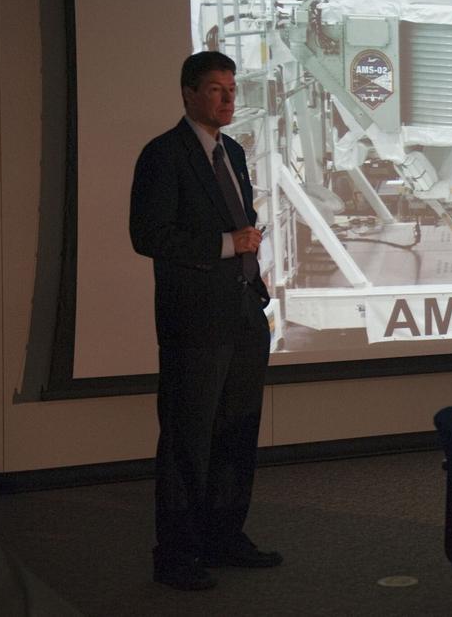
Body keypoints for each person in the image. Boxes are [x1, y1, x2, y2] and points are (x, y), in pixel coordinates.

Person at [130, 51, 279, 591]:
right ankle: (176, 553)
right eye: (216, 89)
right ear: (189, 94)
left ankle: (224, 537)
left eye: (232, 89)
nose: (228, 98)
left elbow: (244, 221)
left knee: (237, 434)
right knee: (187, 439)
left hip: (242, 314)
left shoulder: (233, 151)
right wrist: (225, 244)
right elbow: (148, 235)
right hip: (195, 321)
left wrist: (251, 271)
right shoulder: (163, 155)